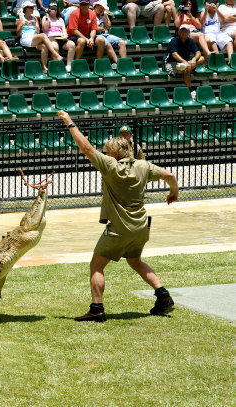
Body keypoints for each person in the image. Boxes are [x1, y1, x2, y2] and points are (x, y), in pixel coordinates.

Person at [57, 110, 179, 322]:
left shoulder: (110, 166)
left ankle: (97, 309)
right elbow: (169, 175)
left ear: (113, 154)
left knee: (96, 265)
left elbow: (86, 148)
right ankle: (163, 294)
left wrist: (69, 123)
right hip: (141, 227)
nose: (105, 154)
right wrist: (173, 192)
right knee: (135, 261)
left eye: (107, 151)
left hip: (120, 228)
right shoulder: (143, 166)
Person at [17, 1, 62, 72]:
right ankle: (55, 54)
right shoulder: (21, 19)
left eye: (33, 8)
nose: (33, 9)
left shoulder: (34, 18)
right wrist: (22, 25)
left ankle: (44, 67)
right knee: (43, 35)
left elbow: (38, 31)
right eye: (31, 8)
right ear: (26, 9)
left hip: (34, 38)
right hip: (25, 39)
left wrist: (35, 24)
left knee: (44, 46)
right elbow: (18, 34)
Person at [42, 2, 76, 71]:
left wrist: (65, 36)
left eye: (55, 9)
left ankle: (68, 65)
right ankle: (57, 65)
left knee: (72, 44)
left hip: (61, 38)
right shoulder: (45, 18)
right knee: (55, 46)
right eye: (52, 9)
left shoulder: (60, 19)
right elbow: (45, 28)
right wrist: (47, 15)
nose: (53, 10)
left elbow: (64, 30)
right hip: (51, 37)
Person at [94, 0, 126, 69]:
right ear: (97, 6)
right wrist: (103, 28)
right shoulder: (91, 14)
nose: (102, 9)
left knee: (122, 42)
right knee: (108, 44)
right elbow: (94, 28)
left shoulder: (104, 14)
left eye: (103, 8)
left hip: (106, 34)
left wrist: (103, 16)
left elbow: (108, 26)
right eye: (101, 8)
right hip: (96, 35)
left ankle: (124, 62)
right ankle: (120, 64)